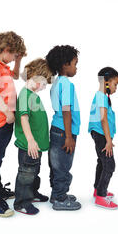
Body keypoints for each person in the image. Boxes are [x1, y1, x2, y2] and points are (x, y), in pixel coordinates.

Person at [0, 31, 27, 217]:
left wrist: (18, 60)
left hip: (7, 120)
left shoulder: (2, 65)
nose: (12, 60)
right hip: (0, 120)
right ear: (6, 49)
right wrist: (6, 112)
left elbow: (17, 76)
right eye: (13, 55)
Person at [13, 58, 53, 215]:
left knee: (34, 171)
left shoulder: (32, 94)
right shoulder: (25, 95)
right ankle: (21, 202)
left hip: (37, 145)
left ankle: (32, 193)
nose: (44, 87)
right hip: (28, 145)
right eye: (43, 83)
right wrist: (30, 140)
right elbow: (24, 118)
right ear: (35, 77)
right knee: (26, 173)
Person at [46, 45, 82, 211]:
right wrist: (69, 136)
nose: (76, 67)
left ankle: (56, 193)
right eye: (74, 63)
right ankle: (60, 198)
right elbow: (66, 109)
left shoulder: (57, 83)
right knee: (63, 165)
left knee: (56, 164)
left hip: (56, 128)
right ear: (64, 65)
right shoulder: (66, 83)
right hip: (64, 131)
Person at [88, 67, 118, 209]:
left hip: (100, 133)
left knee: (102, 162)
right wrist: (108, 140)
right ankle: (101, 196)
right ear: (106, 82)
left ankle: (97, 189)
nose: (116, 88)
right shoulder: (101, 96)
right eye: (115, 84)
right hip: (101, 134)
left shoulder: (102, 96)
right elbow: (103, 119)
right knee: (109, 165)